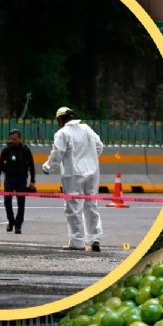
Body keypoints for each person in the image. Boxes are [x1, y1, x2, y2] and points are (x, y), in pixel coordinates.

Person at [43, 107, 104, 252]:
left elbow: (57, 154)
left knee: (73, 207)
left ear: (60, 120)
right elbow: (99, 147)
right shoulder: (86, 129)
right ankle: (95, 238)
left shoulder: (62, 133)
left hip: (73, 174)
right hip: (93, 172)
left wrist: (47, 167)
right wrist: (91, 160)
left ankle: (77, 241)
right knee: (91, 205)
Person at [0, 129, 36, 234]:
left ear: (20, 139)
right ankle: (11, 221)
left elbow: (31, 165)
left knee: (21, 203)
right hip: (9, 178)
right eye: (11, 139)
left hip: (21, 178)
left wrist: (32, 181)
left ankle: (18, 225)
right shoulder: (6, 150)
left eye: (14, 139)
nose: (12, 141)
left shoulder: (26, 150)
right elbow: (0, 164)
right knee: (7, 201)